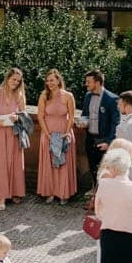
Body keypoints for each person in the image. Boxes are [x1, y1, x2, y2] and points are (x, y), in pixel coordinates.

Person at [0, 67, 28, 210]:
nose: (15, 82)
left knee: (15, 162)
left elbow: (24, 114)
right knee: (0, 163)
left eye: (18, 81)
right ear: (7, 78)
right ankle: (1, 196)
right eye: (13, 79)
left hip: (13, 132)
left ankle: (15, 191)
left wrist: (17, 117)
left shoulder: (20, 95)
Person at [36, 69, 77, 203]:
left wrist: (67, 131)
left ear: (58, 80)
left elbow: (71, 116)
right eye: (47, 81)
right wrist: (47, 134)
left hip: (64, 132)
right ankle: (50, 192)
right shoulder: (43, 96)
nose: (49, 83)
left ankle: (63, 193)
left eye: (52, 80)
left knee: (63, 163)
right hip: (48, 133)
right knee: (49, 163)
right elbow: (40, 116)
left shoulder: (68, 96)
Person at [80, 69, 120, 186]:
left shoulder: (112, 99)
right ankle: (95, 192)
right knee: (92, 168)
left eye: (88, 82)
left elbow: (115, 123)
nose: (86, 84)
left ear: (97, 83)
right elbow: (85, 115)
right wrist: (83, 122)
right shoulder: (88, 96)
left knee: (105, 171)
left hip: (104, 140)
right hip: (90, 138)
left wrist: (108, 142)